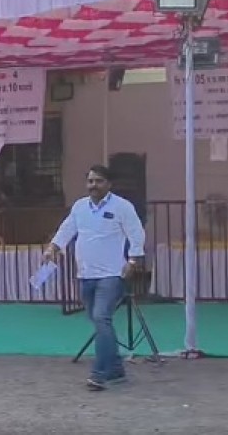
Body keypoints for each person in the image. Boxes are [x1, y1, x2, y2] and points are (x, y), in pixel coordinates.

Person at [45, 165, 145, 391]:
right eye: (90, 181)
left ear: (109, 184)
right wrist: (53, 247)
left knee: (101, 319)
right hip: (86, 274)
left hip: (111, 274)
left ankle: (99, 374)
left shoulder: (122, 206)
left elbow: (136, 234)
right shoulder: (80, 207)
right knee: (99, 321)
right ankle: (116, 369)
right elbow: (66, 229)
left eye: (98, 181)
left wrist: (132, 261)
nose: (93, 185)